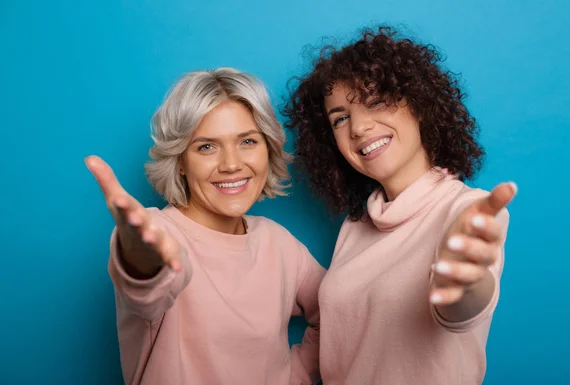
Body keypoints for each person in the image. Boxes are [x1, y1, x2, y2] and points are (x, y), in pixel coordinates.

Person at [283, 27, 516, 385]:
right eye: (340, 118)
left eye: (375, 101)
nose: (358, 127)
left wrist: (462, 285)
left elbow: (459, 310)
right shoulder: (356, 225)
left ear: (420, 105)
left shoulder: (466, 210)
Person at [85, 68, 324, 385]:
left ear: (269, 148)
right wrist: (141, 257)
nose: (231, 164)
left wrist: (297, 374)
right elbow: (148, 286)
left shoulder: (279, 243)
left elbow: (340, 311)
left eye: (248, 141)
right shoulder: (159, 232)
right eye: (206, 147)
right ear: (180, 161)